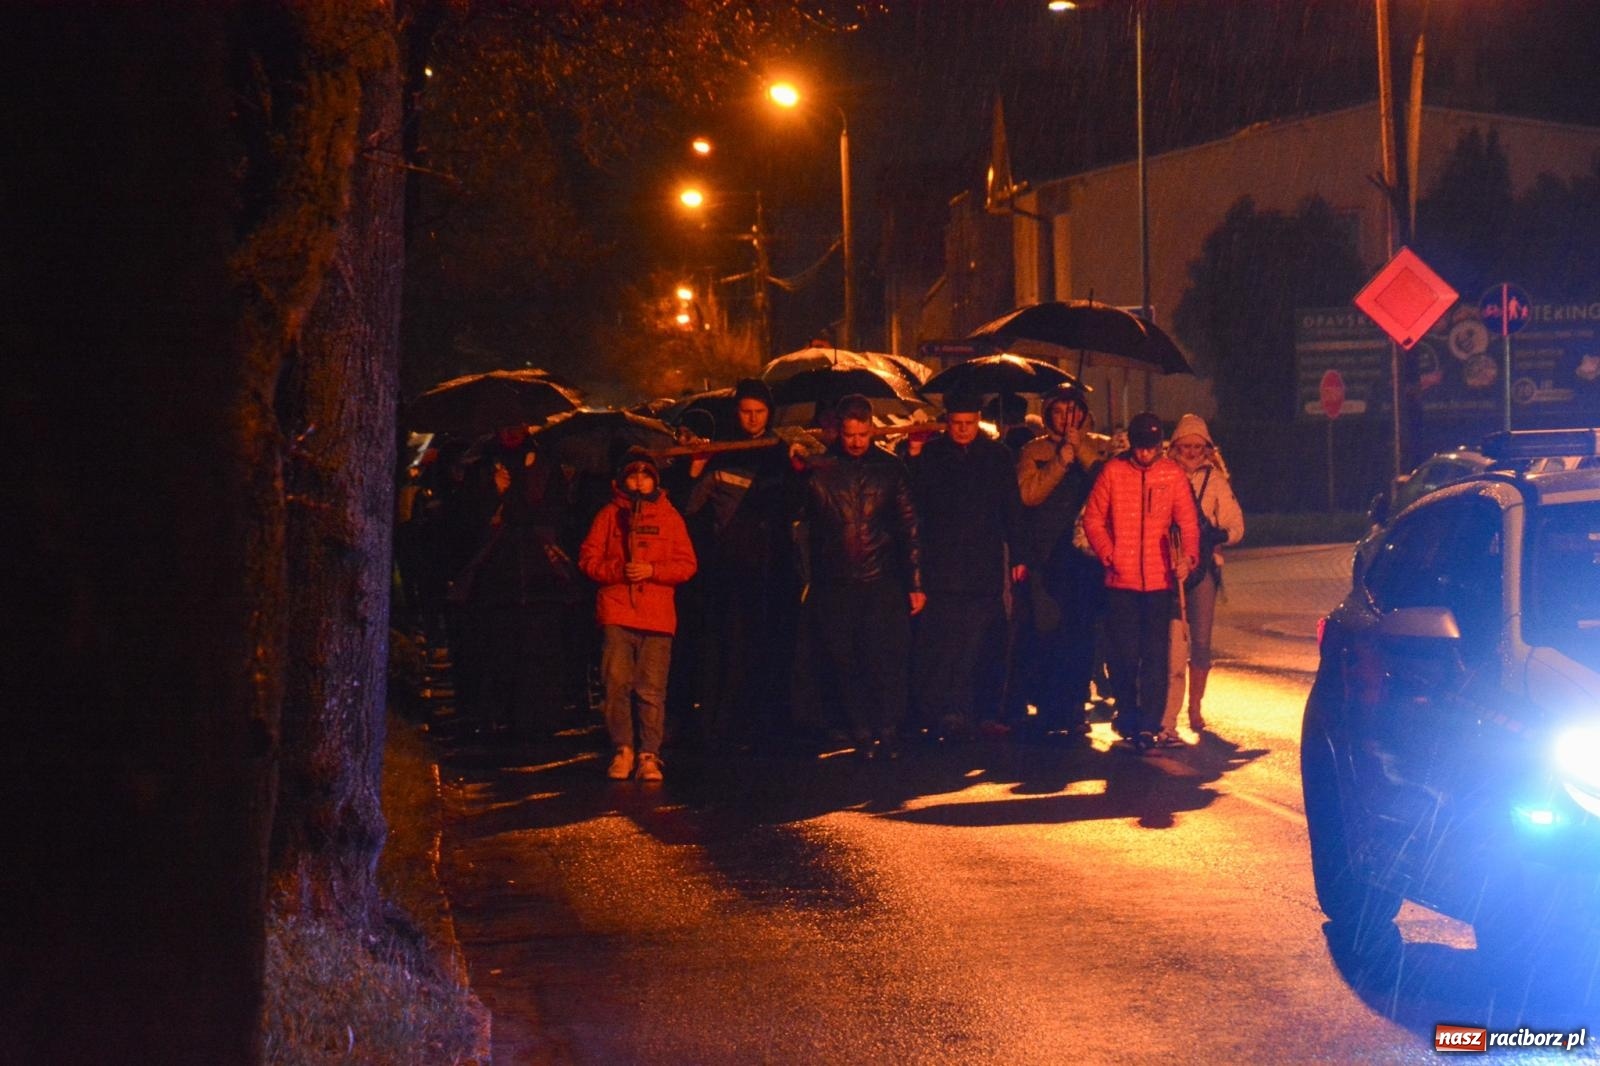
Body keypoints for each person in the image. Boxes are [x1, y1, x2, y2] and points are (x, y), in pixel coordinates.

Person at [793, 394, 925, 759]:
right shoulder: (821, 469)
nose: (855, 442)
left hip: (882, 579)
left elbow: (909, 527)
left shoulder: (890, 468)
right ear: (840, 431)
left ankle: (887, 728)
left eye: (862, 435)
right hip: (835, 581)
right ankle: (863, 730)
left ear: (871, 430)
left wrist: (914, 583)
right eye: (850, 435)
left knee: (884, 658)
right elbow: (796, 516)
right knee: (845, 659)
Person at [907, 390, 1027, 741]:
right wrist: (915, 455)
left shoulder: (997, 456)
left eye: (969, 424)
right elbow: (917, 505)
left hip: (982, 565)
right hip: (942, 567)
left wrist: (1018, 555)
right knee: (945, 645)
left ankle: (983, 710)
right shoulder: (932, 455)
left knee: (984, 643)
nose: (962, 430)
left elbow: (1011, 508)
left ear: (978, 423)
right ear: (947, 423)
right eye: (957, 424)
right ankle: (947, 711)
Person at [684, 378, 798, 748]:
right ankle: (726, 725)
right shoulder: (725, 452)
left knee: (771, 644)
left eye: (759, 412)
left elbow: (796, 502)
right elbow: (693, 509)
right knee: (730, 646)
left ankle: (769, 724)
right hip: (731, 568)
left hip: (774, 566)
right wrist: (695, 470)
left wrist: (799, 465)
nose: (752, 419)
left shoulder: (781, 450)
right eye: (746, 412)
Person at [578, 447, 698, 782]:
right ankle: (623, 749)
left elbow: (687, 564)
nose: (640, 480)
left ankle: (649, 754)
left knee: (651, 688)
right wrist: (618, 569)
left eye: (647, 474)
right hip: (617, 610)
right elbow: (588, 558)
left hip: (657, 615)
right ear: (622, 479)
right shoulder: (608, 515)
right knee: (616, 683)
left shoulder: (669, 516)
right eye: (634, 474)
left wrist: (652, 569)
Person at [1082, 412, 1199, 752]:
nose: (1146, 455)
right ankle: (1128, 714)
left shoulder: (1171, 475)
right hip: (1121, 582)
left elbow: (1188, 524)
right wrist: (1109, 555)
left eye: (1151, 448)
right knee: (1124, 654)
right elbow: (1093, 518)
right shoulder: (1114, 472)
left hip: (1160, 581)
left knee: (1155, 654)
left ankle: (1148, 723)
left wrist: (1186, 559)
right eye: (1141, 448)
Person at [1013, 384, 1104, 741]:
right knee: (1047, 631)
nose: (1068, 417)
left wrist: (1079, 448)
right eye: (1060, 411)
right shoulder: (1034, 451)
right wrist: (1060, 459)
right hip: (1046, 555)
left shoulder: (1096, 446)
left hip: (1084, 557)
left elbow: (1105, 484)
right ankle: (1049, 706)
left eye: (1074, 410)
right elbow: (1029, 494)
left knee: (1081, 633)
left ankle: (1074, 705)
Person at [1163, 414, 1244, 734]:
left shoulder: (1216, 481)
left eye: (1199, 446)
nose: (1193, 452)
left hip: (1202, 570)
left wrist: (1218, 536)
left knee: (1200, 642)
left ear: (1208, 448)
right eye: (1187, 446)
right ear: (1176, 446)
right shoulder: (1164, 473)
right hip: (1166, 567)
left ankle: (1195, 708)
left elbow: (1237, 525)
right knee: (1169, 643)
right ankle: (1167, 709)